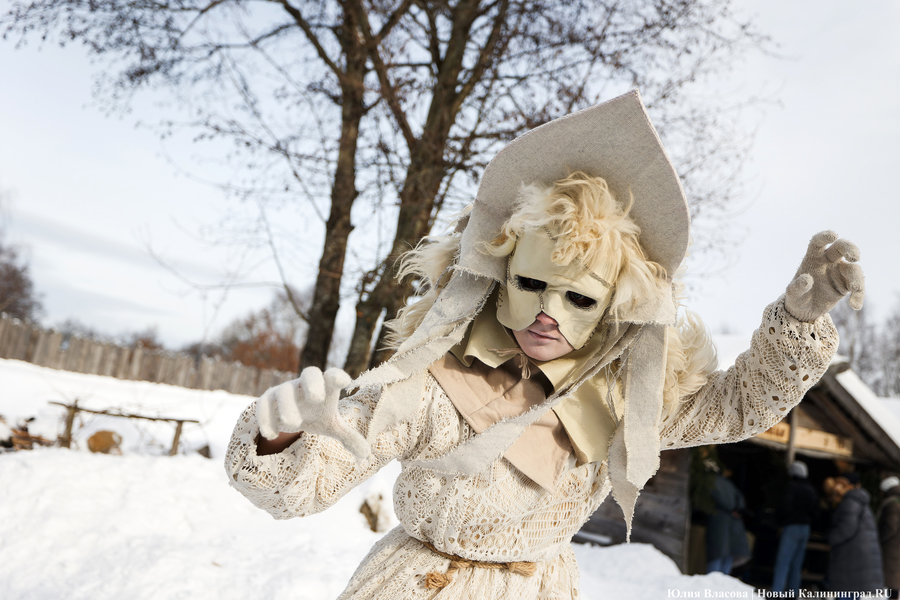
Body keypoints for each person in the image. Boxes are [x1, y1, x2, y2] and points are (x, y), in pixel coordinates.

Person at [224, 91, 865, 599]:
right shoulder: (433, 381)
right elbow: (303, 486)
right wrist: (279, 438)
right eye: (532, 284)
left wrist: (796, 324)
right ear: (499, 272)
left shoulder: (620, 397)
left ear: (614, 306)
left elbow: (739, 407)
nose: (548, 315)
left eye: (580, 298)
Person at [826, 474, 884, 596]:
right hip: (860, 559)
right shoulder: (860, 502)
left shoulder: (850, 502)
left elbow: (847, 527)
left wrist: (830, 537)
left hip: (853, 559)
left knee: (848, 592)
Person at [771, 461, 819, 595]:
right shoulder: (811, 490)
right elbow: (816, 512)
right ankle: (793, 593)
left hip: (791, 527)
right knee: (797, 564)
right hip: (805, 528)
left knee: (783, 562)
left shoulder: (792, 487)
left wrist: (779, 522)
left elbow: (785, 506)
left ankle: (777, 592)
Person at [705, 467, 750, 575]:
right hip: (734, 525)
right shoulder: (730, 484)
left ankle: (711, 587)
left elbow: (717, 497)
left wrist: (729, 509)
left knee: (716, 556)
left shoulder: (711, 481)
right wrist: (736, 510)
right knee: (728, 557)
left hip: (719, 522)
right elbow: (740, 501)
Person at [879, 475, 900, 597]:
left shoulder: (892, 504)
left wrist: (879, 539)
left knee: (891, 581)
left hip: (891, 547)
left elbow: (890, 526)